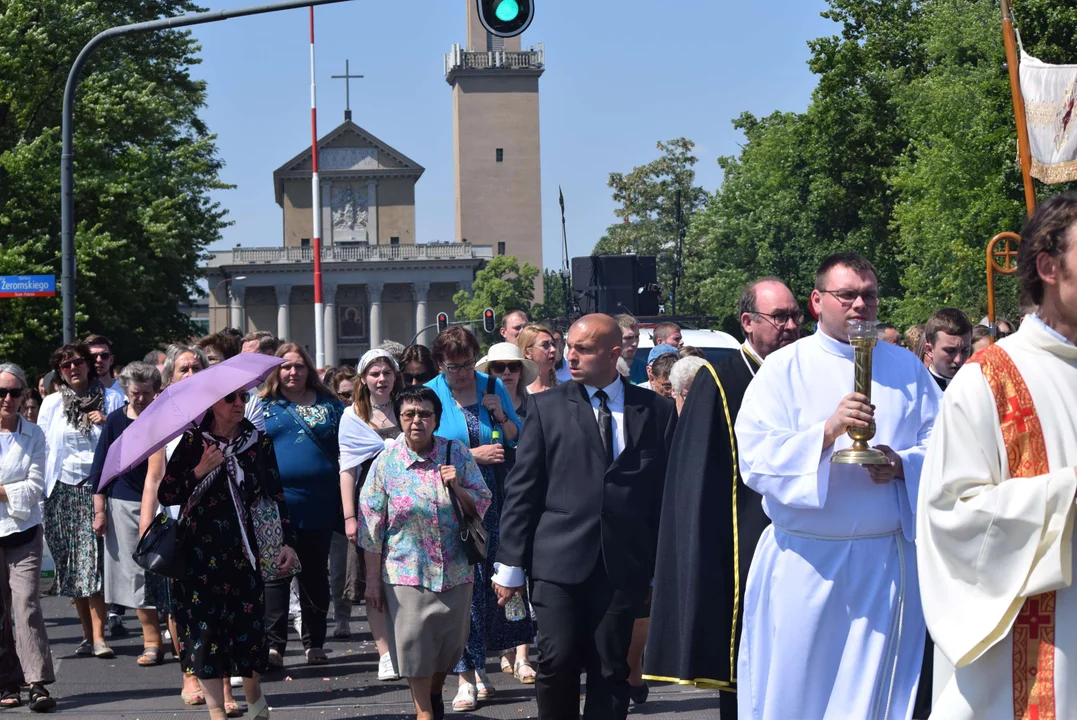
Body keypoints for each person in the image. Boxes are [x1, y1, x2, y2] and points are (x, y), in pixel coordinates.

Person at [733, 254, 941, 720]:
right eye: (847, 295)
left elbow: (947, 447)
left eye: (869, 295)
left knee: (874, 699)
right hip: (804, 563)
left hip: (883, 563)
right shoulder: (783, 369)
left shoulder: (908, 369)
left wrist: (903, 464)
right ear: (817, 301)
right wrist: (826, 434)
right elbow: (755, 458)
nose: (860, 305)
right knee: (796, 693)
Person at [917, 192, 1077, 719]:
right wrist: (1066, 492)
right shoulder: (989, 380)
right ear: (1048, 266)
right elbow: (950, 516)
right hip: (1039, 647)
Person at [493, 313, 678, 720]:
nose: (569, 356)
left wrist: (662, 565)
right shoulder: (546, 408)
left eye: (583, 349)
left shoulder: (656, 411)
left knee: (610, 667)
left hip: (623, 564)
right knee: (556, 660)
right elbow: (522, 491)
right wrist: (509, 563)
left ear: (614, 354)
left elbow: (665, 494)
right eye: (568, 347)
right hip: (558, 561)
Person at [645, 276, 801, 717]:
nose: (790, 326)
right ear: (748, 322)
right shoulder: (719, 378)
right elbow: (697, 480)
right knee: (746, 669)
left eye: (795, 315)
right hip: (742, 544)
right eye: (779, 317)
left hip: (809, 545)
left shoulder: (807, 372)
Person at [160, 387, 299, 720]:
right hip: (197, 554)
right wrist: (200, 469)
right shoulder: (194, 442)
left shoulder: (258, 442)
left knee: (248, 630)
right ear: (213, 404)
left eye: (242, 397)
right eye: (230, 398)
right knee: (203, 634)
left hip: (245, 552)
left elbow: (276, 492)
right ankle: (216, 714)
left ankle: (254, 700)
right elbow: (167, 493)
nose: (239, 404)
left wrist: (288, 542)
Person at [359, 385, 492, 720]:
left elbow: (483, 502)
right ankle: (424, 712)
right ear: (400, 419)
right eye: (408, 415)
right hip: (405, 572)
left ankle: (434, 693)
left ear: (436, 419)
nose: (416, 421)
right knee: (415, 647)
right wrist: (372, 582)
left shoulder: (456, 453)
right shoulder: (386, 462)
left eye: (424, 414)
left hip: (456, 569)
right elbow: (370, 528)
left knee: (448, 648)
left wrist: (458, 486)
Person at [424, 326, 524, 711]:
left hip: (495, 499)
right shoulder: (431, 392)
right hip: (452, 501)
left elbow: (516, 434)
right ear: (440, 365)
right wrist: (473, 455)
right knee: (463, 587)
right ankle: (465, 678)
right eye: (454, 367)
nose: (463, 373)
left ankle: (487, 666)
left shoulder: (492, 385)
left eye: (467, 364)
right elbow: (425, 445)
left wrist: (501, 415)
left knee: (493, 585)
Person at [137, 343, 219, 709]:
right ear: (169, 378)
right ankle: (189, 673)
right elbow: (154, 479)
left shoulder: (221, 412)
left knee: (217, 601)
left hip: (218, 520)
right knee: (178, 605)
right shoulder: (162, 419)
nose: (191, 374)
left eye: (196, 367)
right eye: (183, 369)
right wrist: (145, 527)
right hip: (176, 522)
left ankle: (217, 672)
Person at [260, 343, 344, 668]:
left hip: (320, 503)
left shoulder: (330, 405)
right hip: (276, 506)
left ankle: (315, 642)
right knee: (277, 576)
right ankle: (275, 647)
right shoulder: (263, 406)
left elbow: (348, 446)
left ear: (309, 369)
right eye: (285, 367)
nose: (292, 372)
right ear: (275, 371)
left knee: (314, 575)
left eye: (299, 366)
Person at [39, 342, 124, 659]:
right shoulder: (51, 404)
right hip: (61, 490)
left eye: (77, 362)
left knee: (94, 565)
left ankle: (100, 637)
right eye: (65, 365)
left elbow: (124, 442)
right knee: (72, 567)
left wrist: (106, 425)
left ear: (89, 365)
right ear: (59, 372)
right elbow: (44, 447)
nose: (73, 368)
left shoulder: (113, 398)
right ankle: (88, 635)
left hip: (97, 490)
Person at [89, 363, 169, 667]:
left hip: (164, 504)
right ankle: (152, 641)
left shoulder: (164, 419)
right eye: (136, 393)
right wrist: (99, 509)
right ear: (126, 391)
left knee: (168, 572)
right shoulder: (115, 421)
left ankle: (176, 638)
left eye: (147, 394)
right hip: (123, 503)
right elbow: (100, 464)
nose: (141, 399)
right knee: (137, 575)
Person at [337, 349, 403, 673]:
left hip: (408, 504)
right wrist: (350, 517)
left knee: (406, 576)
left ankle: (406, 644)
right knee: (373, 579)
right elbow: (347, 470)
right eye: (375, 373)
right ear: (363, 379)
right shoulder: (353, 416)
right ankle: (385, 654)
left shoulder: (407, 408)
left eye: (387, 373)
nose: (381, 379)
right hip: (371, 506)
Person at [0, 363, 57, 712]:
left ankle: (37, 681)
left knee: (26, 605)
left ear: (24, 396)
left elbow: (36, 486)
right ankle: (7, 682)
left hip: (23, 531)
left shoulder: (34, 434)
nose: (7, 398)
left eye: (14, 392)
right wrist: (11, 489)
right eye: (0, 392)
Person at [198, 333, 264, 433]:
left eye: (211, 359)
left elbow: (259, 442)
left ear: (230, 362)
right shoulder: (192, 401)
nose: (205, 364)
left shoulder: (250, 402)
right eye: (202, 360)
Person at [477, 344, 538, 421]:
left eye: (513, 366)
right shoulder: (480, 407)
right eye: (499, 367)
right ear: (489, 373)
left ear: (520, 373)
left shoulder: (534, 406)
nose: (507, 372)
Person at [923, 308, 974, 390]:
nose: (958, 360)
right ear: (930, 350)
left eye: (965, 350)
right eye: (950, 351)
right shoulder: (917, 391)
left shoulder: (979, 388)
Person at [518, 325, 558, 393]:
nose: (553, 349)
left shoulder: (563, 389)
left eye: (553, 344)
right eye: (545, 345)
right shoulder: (519, 395)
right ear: (527, 353)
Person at [614, 315, 640, 380]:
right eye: (628, 338)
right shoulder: (602, 372)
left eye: (637, 337)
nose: (635, 343)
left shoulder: (646, 369)